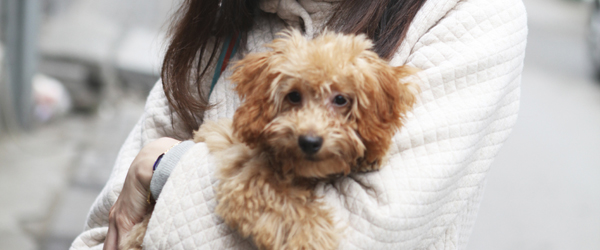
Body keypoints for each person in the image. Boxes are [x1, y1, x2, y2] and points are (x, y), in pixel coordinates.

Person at [71, 0, 528, 249]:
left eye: (340, 101)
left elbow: (365, 234)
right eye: (294, 97)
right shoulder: (227, 14)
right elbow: (109, 223)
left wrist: (166, 166)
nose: (312, 126)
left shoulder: (473, 14)